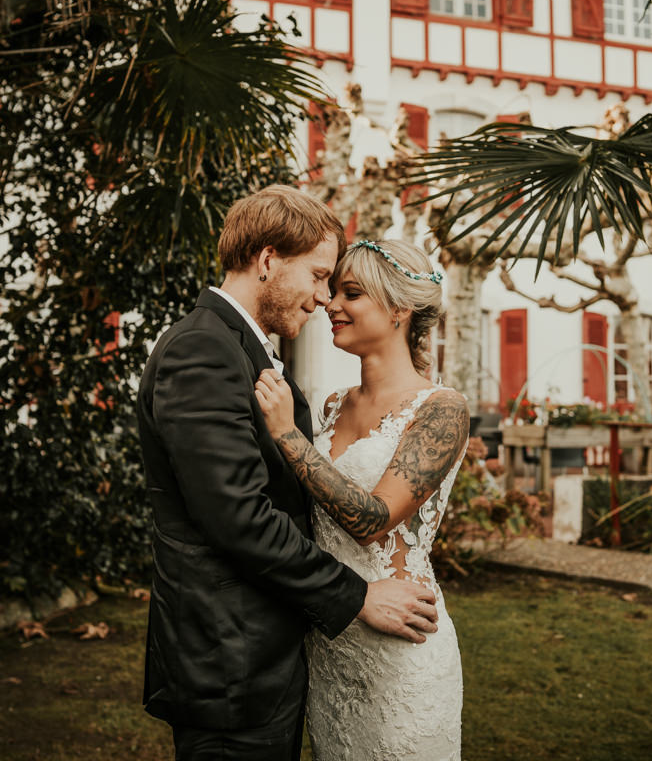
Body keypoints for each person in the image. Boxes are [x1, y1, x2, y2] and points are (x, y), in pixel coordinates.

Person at [137, 186, 441, 761]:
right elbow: (238, 517)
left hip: (260, 652)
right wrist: (357, 597)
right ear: (269, 260)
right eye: (320, 276)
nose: (324, 298)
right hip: (229, 658)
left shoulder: (240, 350)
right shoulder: (202, 350)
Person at [253, 238, 468, 761]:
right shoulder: (327, 406)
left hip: (402, 647)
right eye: (332, 291)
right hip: (332, 642)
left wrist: (288, 436)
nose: (330, 303)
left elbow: (371, 519)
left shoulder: (441, 409)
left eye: (351, 293)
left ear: (398, 310)